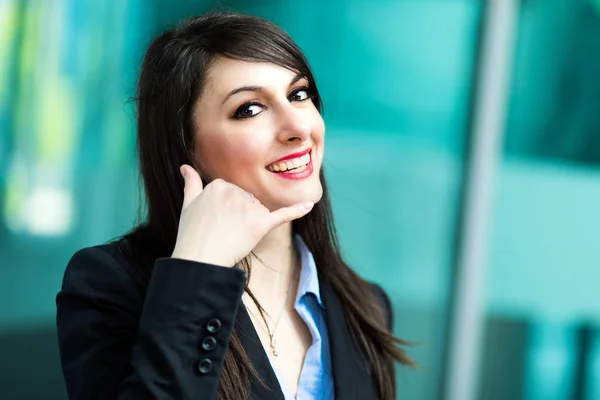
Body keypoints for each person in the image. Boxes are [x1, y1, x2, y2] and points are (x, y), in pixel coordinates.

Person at [56, 12, 414, 400]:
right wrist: (198, 269)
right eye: (250, 109)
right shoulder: (111, 286)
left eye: (299, 94)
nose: (298, 128)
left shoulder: (366, 308)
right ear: (186, 148)